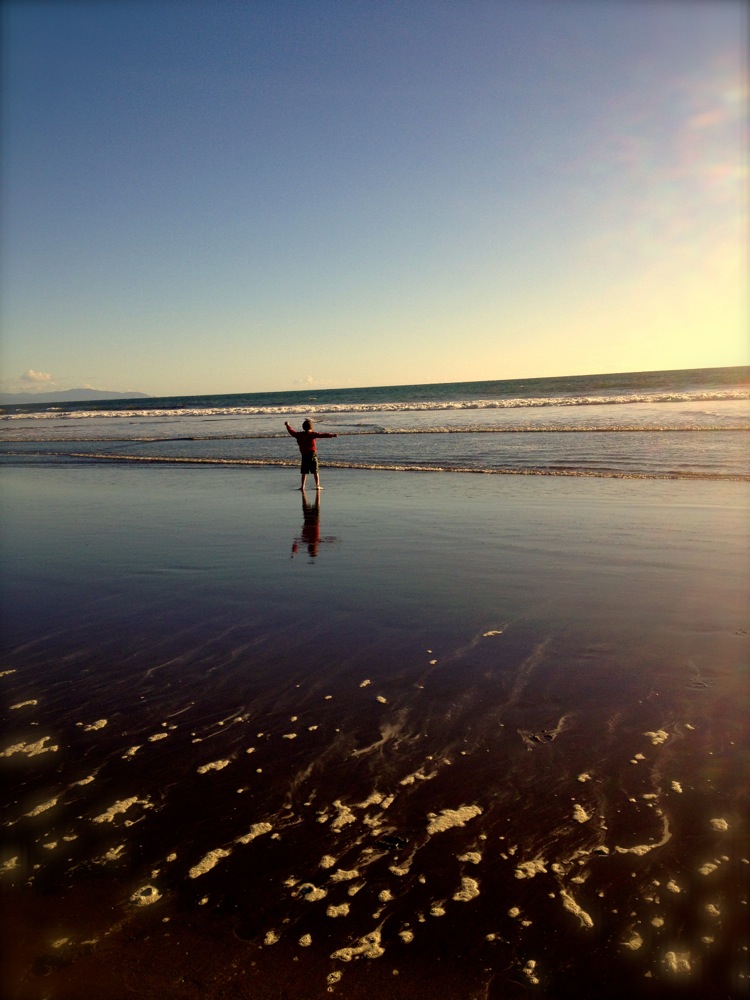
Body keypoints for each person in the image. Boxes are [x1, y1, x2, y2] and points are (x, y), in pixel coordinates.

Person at [284, 418, 338, 491]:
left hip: (304, 455)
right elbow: (322, 435)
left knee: (304, 472)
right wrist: (332, 435)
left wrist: (287, 425)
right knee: (315, 471)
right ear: (311, 427)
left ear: (303, 427)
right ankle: (317, 486)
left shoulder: (299, 435)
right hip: (312, 454)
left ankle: (302, 486)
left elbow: (292, 432)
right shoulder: (312, 434)